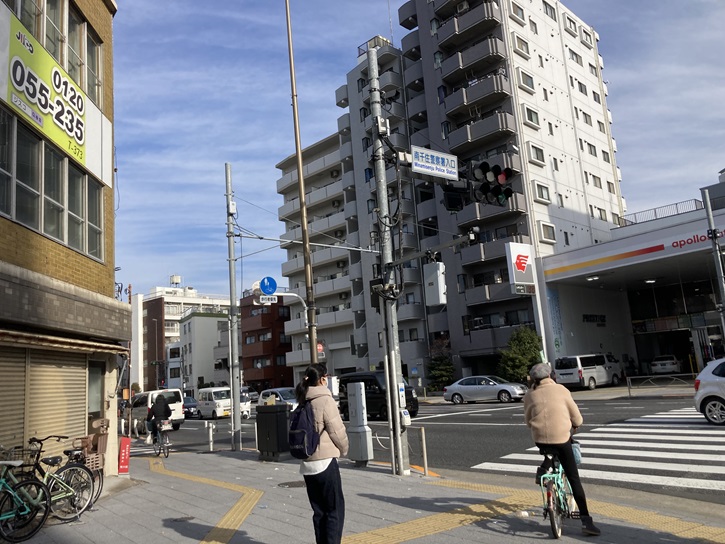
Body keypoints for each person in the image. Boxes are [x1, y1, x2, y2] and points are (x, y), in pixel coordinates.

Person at [523, 363, 601, 536]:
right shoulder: (561, 390)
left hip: (540, 441)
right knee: (573, 478)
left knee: (550, 451)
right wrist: (576, 424)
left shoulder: (529, 395)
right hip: (561, 439)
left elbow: (528, 421)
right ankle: (586, 521)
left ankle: (545, 467)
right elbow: (577, 418)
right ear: (550, 375)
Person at [295, 364, 349, 544]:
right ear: (322, 379)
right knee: (334, 510)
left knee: (319, 512)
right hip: (325, 463)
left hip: (307, 464)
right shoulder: (325, 399)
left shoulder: (303, 399)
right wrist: (344, 449)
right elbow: (337, 431)